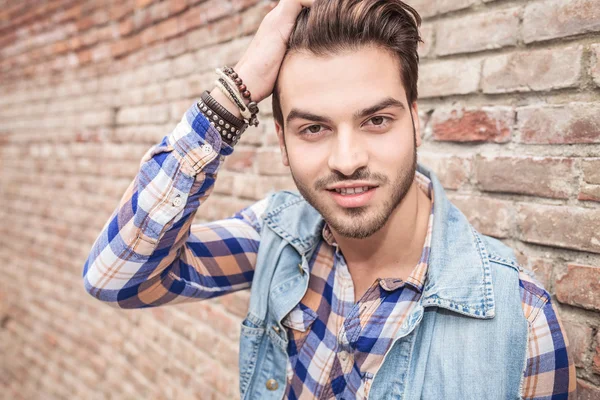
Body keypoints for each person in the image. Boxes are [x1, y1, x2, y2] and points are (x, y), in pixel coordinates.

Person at [83, 0, 576, 398]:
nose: (346, 159)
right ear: (282, 141)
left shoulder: (519, 322)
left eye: (376, 120)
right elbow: (116, 277)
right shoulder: (275, 238)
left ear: (415, 121)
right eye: (314, 128)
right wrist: (232, 96)